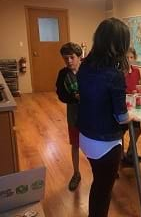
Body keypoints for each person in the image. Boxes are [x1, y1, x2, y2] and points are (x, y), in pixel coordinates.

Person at [77, 18, 138, 217]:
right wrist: (132, 115)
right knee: (103, 191)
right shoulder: (114, 74)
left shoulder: (85, 66)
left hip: (85, 137)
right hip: (105, 144)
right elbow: (121, 117)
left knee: (98, 184)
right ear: (117, 44)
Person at [55, 42, 82, 191]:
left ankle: (98, 171)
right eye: (66, 58)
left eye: (72, 57)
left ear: (79, 57)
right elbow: (61, 94)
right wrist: (74, 97)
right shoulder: (63, 74)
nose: (69, 61)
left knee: (92, 144)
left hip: (91, 114)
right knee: (75, 144)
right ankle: (76, 173)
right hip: (74, 114)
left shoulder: (87, 70)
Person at [121, 47, 141, 166]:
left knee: (137, 129)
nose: (128, 60)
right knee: (121, 132)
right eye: (126, 57)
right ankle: (120, 157)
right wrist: (129, 93)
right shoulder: (119, 72)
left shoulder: (136, 71)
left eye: (131, 57)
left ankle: (130, 152)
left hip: (134, 106)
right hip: (122, 106)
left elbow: (139, 85)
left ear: (134, 58)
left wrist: (139, 90)